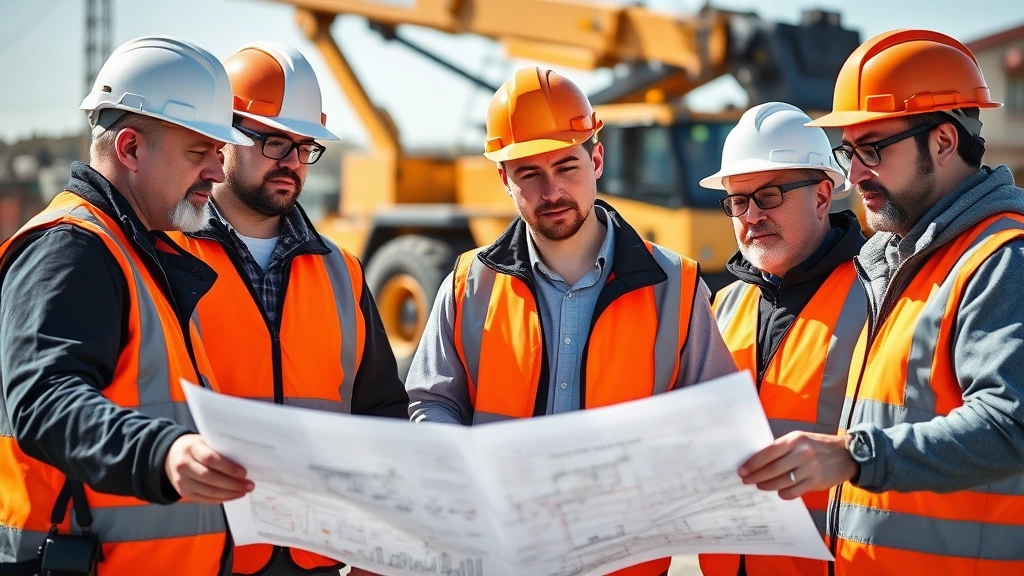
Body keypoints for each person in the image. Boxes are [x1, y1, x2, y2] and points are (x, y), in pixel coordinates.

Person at [405, 66, 737, 576]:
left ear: (596, 158)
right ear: (503, 179)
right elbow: (432, 402)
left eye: (566, 167)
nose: (552, 191)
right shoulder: (469, 282)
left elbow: (715, 427)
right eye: (529, 175)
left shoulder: (678, 286)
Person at [737, 29, 1024, 575]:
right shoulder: (896, 263)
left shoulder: (1002, 258)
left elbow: (1011, 424)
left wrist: (854, 455)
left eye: (872, 149)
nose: (854, 174)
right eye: (849, 151)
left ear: (943, 141)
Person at [0, 37, 253, 575]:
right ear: (131, 148)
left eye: (219, 151)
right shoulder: (71, 249)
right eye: (199, 152)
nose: (217, 170)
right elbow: (44, 400)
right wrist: (162, 453)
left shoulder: (138, 248)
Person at [168, 42, 408, 576]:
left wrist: (381, 543)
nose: (294, 163)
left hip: (318, 558)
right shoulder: (164, 258)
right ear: (220, 137)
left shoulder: (341, 272)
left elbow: (383, 418)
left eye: (305, 147)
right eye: (275, 141)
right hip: (204, 554)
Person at [696, 102, 866, 576]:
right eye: (736, 200)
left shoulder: (883, 299)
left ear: (821, 195)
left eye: (769, 195)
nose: (750, 215)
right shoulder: (724, 305)